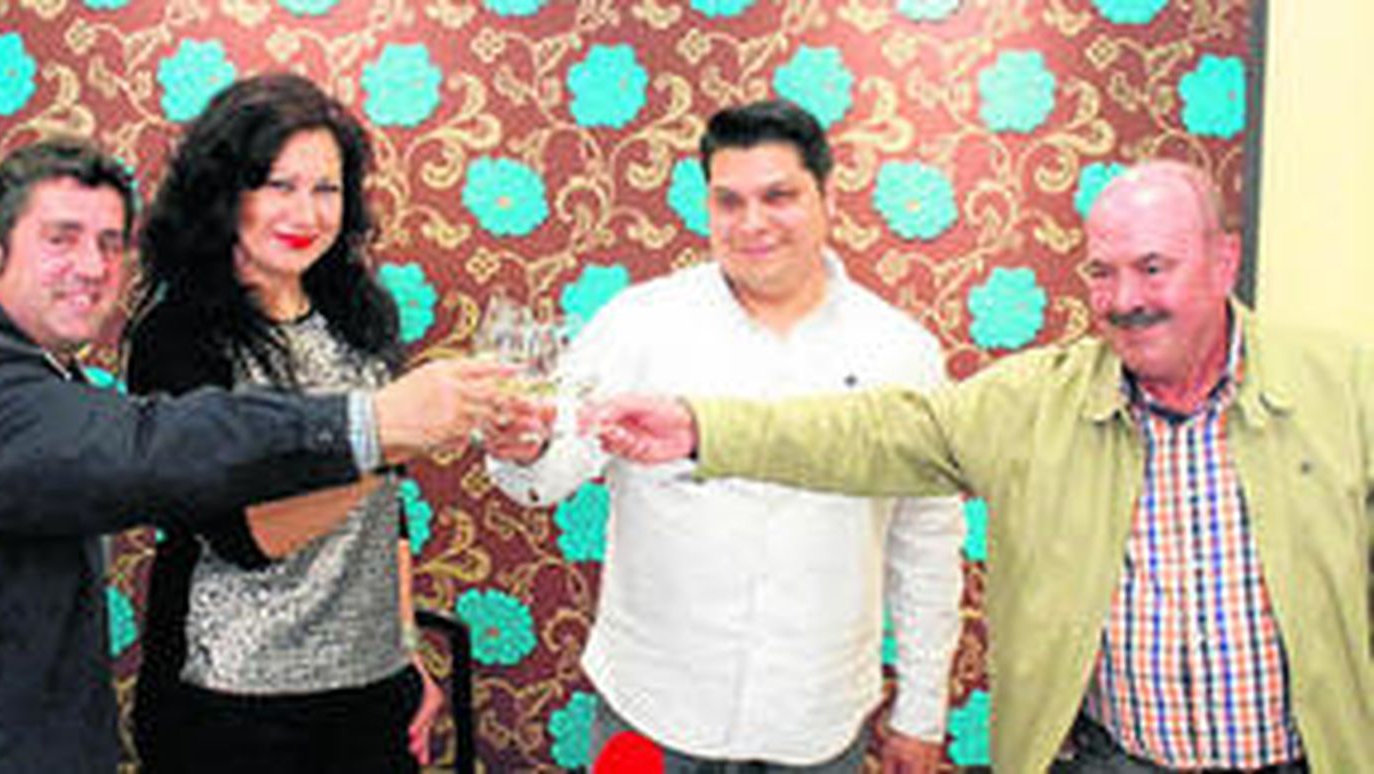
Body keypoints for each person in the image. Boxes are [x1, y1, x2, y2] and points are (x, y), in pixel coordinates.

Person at [588, 160, 1374, 772]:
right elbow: (874, 433)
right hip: (1110, 761)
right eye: (1102, 272)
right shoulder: (1036, 402)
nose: (1123, 298)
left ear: (1223, 260)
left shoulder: (1345, 388)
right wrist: (703, 427)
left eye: (1153, 266)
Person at [0, 137, 499, 773]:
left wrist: (399, 643)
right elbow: (152, 448)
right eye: (60, 239)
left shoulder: (51, 377)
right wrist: (373, 423)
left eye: (109, 243)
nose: (90, 266)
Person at [483, 99, 964, 773]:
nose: (752, 223)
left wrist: (921, 714)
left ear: (828, 197)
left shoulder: (900, 351)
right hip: (651, 705)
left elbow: (927, 542)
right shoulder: (642, 321)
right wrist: (527, 447)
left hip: (817, 720)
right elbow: (552, 466)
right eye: (729, 202)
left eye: (779, 197)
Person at [124, 73, 443, 773]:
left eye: (327, 188)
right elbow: (244, 536)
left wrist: (404, 649)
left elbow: (389, 516)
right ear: (224, 192)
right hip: (231, 696)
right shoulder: (178, 337)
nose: (307, 212)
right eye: (279, 185)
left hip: (371, 688)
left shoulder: (361, 313)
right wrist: (386, 440)